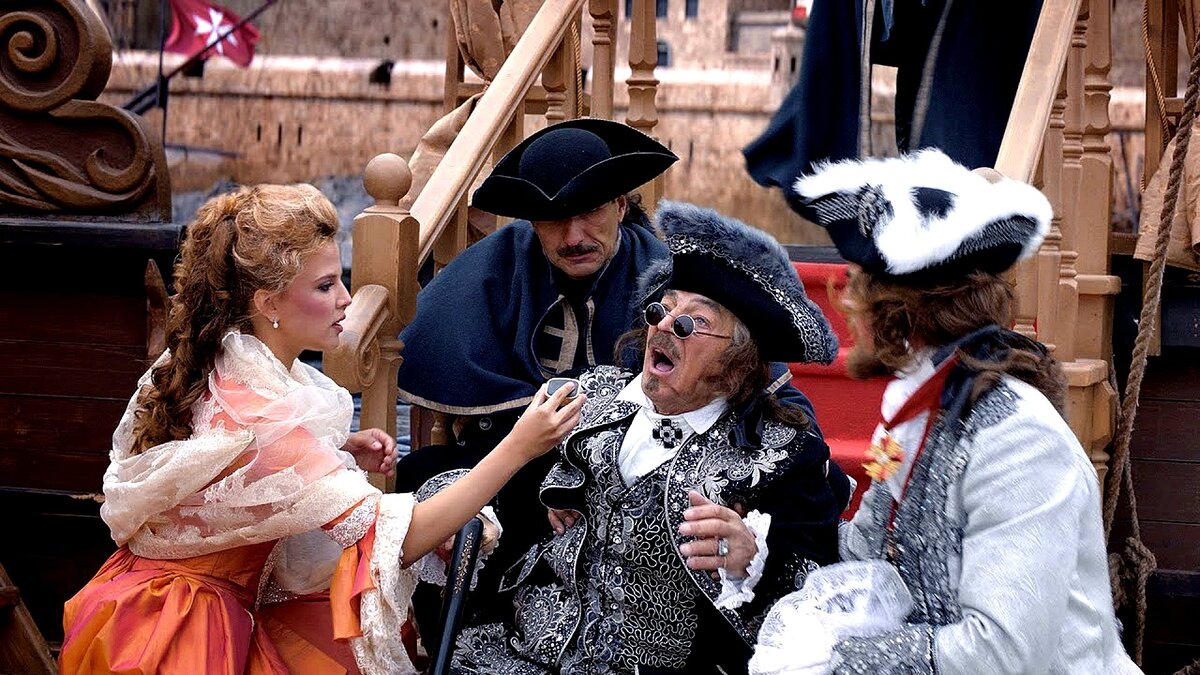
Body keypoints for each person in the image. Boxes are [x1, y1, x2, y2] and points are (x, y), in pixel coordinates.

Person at [57, 184, 585, 675]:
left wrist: (335, 447)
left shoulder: (220, 360)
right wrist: (519, 446)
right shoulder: (263, 417)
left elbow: (223, 466)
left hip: (144, 594)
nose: (346, 300)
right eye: (326, 285)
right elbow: (396, 541)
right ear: (267, 303)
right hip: (183, 631)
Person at [754, 149, 1140, 674]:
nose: (850, 311)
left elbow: (1003, 654)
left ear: (895, 313)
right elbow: (865, 552)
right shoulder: (917, 410)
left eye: (859, 290)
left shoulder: (1018, 439)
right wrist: (760, 551)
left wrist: (837, 659)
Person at [450, 201, 852, 675]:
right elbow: (506, 479)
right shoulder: (592, 397)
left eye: (690, 323)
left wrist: (751, 558)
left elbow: (818, 590)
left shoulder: (782, 453)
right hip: (529, 652)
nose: (661, 324)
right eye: (663, 309)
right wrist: (541, 497)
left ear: (736, 362)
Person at [393, 118, 678, 628]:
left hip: (632, 474)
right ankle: (462, 645)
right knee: (417, 476)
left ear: (620, 206)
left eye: (590, 212)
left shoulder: (665, 276)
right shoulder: (500, 264)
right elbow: (431, 343)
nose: (573, 236)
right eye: (552, 219)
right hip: (513, 463)